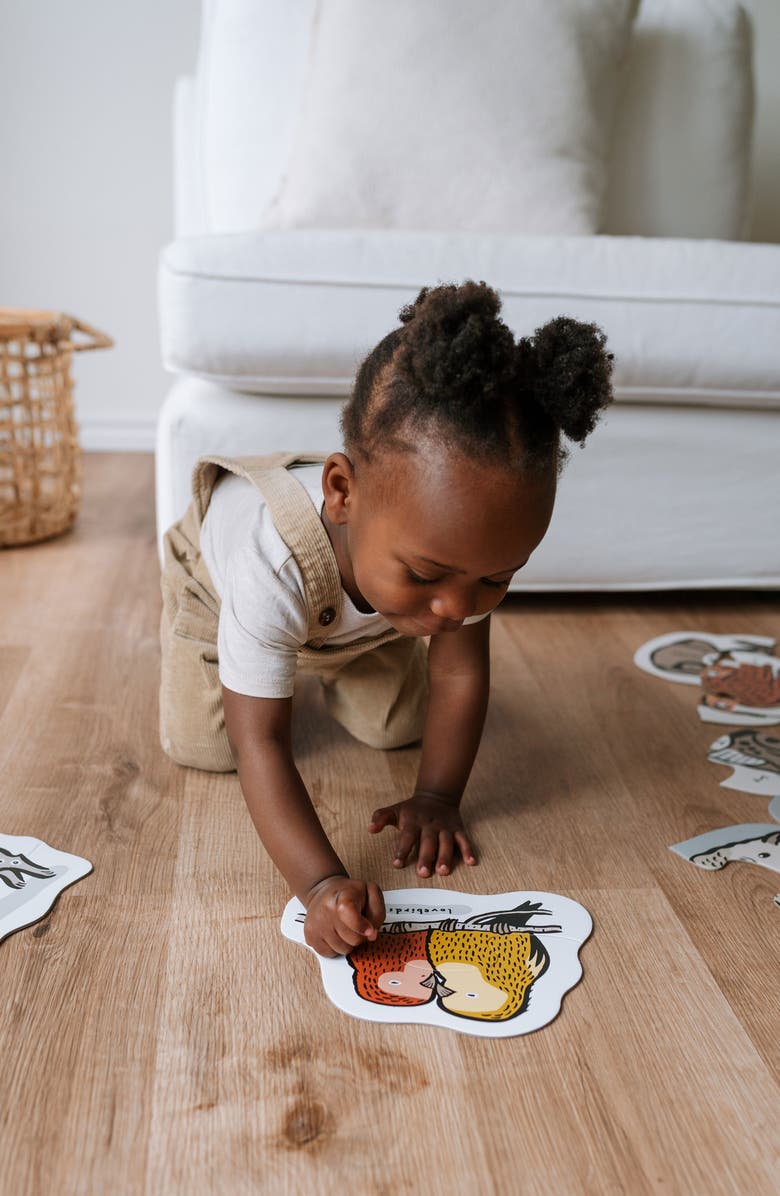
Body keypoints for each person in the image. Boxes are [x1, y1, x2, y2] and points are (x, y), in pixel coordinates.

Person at [159, 280, 613, 958]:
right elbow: (264, 745)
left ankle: (339, 660)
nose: (459, 607)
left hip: (360, 620)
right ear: (341, 493)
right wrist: (318, 886)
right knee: (210, 748)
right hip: (216, 592)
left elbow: (460, 679)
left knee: (402, 726)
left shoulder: (456, 567)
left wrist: (436, 795)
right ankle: (255, 661)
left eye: (497, 578)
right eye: (429, 575)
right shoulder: (266, 563)